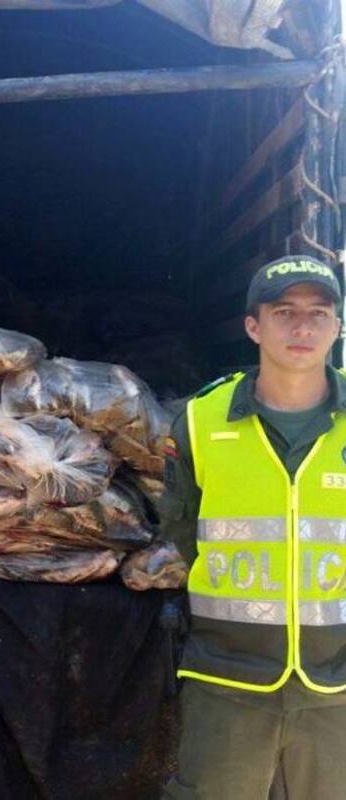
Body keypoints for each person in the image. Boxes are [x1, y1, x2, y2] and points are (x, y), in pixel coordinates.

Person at [161, 255, 346, 798]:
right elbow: (179, 529)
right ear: (252, 326)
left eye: (319, 312)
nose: (302, 327)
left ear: (338, 325)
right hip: (226, 679)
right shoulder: (200, 421)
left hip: (337, 683)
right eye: (284, 311)